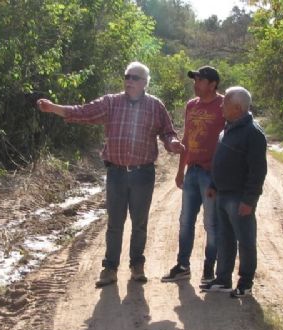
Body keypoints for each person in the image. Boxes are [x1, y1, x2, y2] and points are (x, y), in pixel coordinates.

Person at [37, 61, 185, 287]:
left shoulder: (156, 106)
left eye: (135, 78)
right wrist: (53, 108)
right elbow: (83, 112)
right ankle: (110, 268)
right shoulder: (111, 102)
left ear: (145, 82)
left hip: (143, 174)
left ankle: (137, 265)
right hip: (116, 173)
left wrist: (172, 143)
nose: (129, 81)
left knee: (139, 223)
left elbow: (167, 132)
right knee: (115, 223)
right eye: (127, 76)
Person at [199, 86, 267, 297]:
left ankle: (245, 283)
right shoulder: (227, 128)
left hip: (239, 198)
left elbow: (258, 171)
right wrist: (213, 185)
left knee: (245, 241)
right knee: (224, 239)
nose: (221, 106)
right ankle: (223, 279)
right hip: (222, 195)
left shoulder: (253, 133)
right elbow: (221, 162)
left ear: (237, 108)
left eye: (225, 103)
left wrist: (249, 200)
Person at [161, 66, 225, 284]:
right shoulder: (191, 105)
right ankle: (183, 265)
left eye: (200, 80)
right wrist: (180, 171)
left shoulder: (224, 105)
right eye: (195, 80)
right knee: (185, 220)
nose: (195, 84)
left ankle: (209, 269)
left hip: (211, 174)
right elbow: (187, 139)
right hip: (192, 171)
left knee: (211, 224)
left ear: (213, 84)